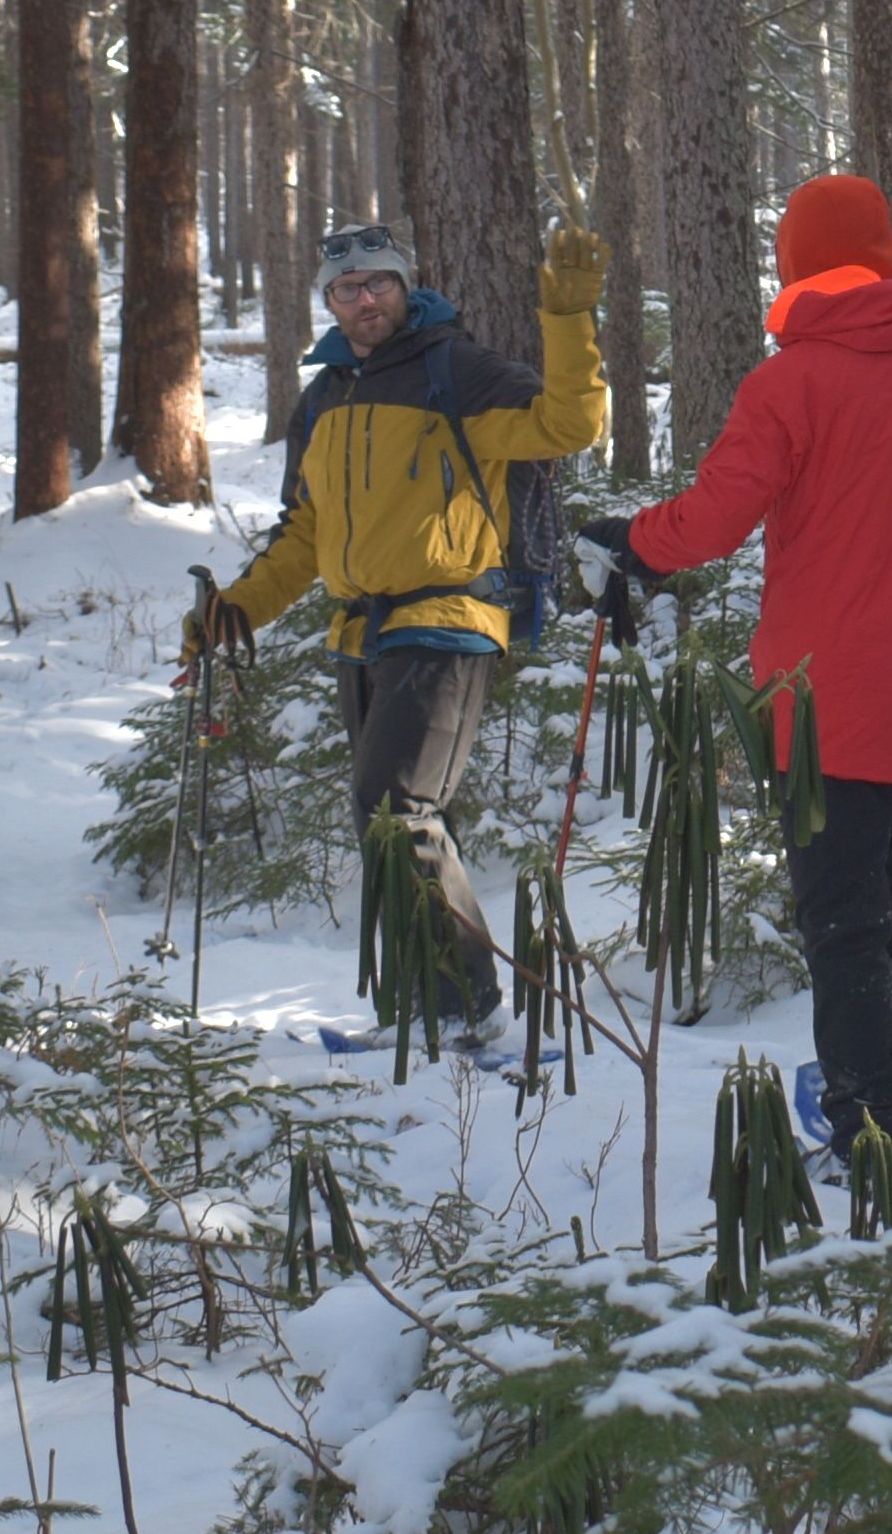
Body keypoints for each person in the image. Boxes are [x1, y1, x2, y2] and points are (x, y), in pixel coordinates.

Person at [587, 171, 892, 1179]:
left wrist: (636, 542)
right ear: (884, 254)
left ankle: (869, 1123)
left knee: (840, 913)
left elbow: (714, 517)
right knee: (877, 888)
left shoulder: (789, 384)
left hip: (821, 701)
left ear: (796, 263)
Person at [193, 219, 610, 1050]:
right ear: (330, 301)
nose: (363, 299)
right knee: (388, 822)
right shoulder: (324, 398)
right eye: (345, 289)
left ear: (404, 286)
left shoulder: (456, 371)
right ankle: (429, 1006)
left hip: (448, 620)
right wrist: (229, 614)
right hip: (363, 637)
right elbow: (303, 535)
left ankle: (471, 1013)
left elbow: (570, 425)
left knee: (398, 809)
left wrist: (568, 319)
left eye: (378, 282)